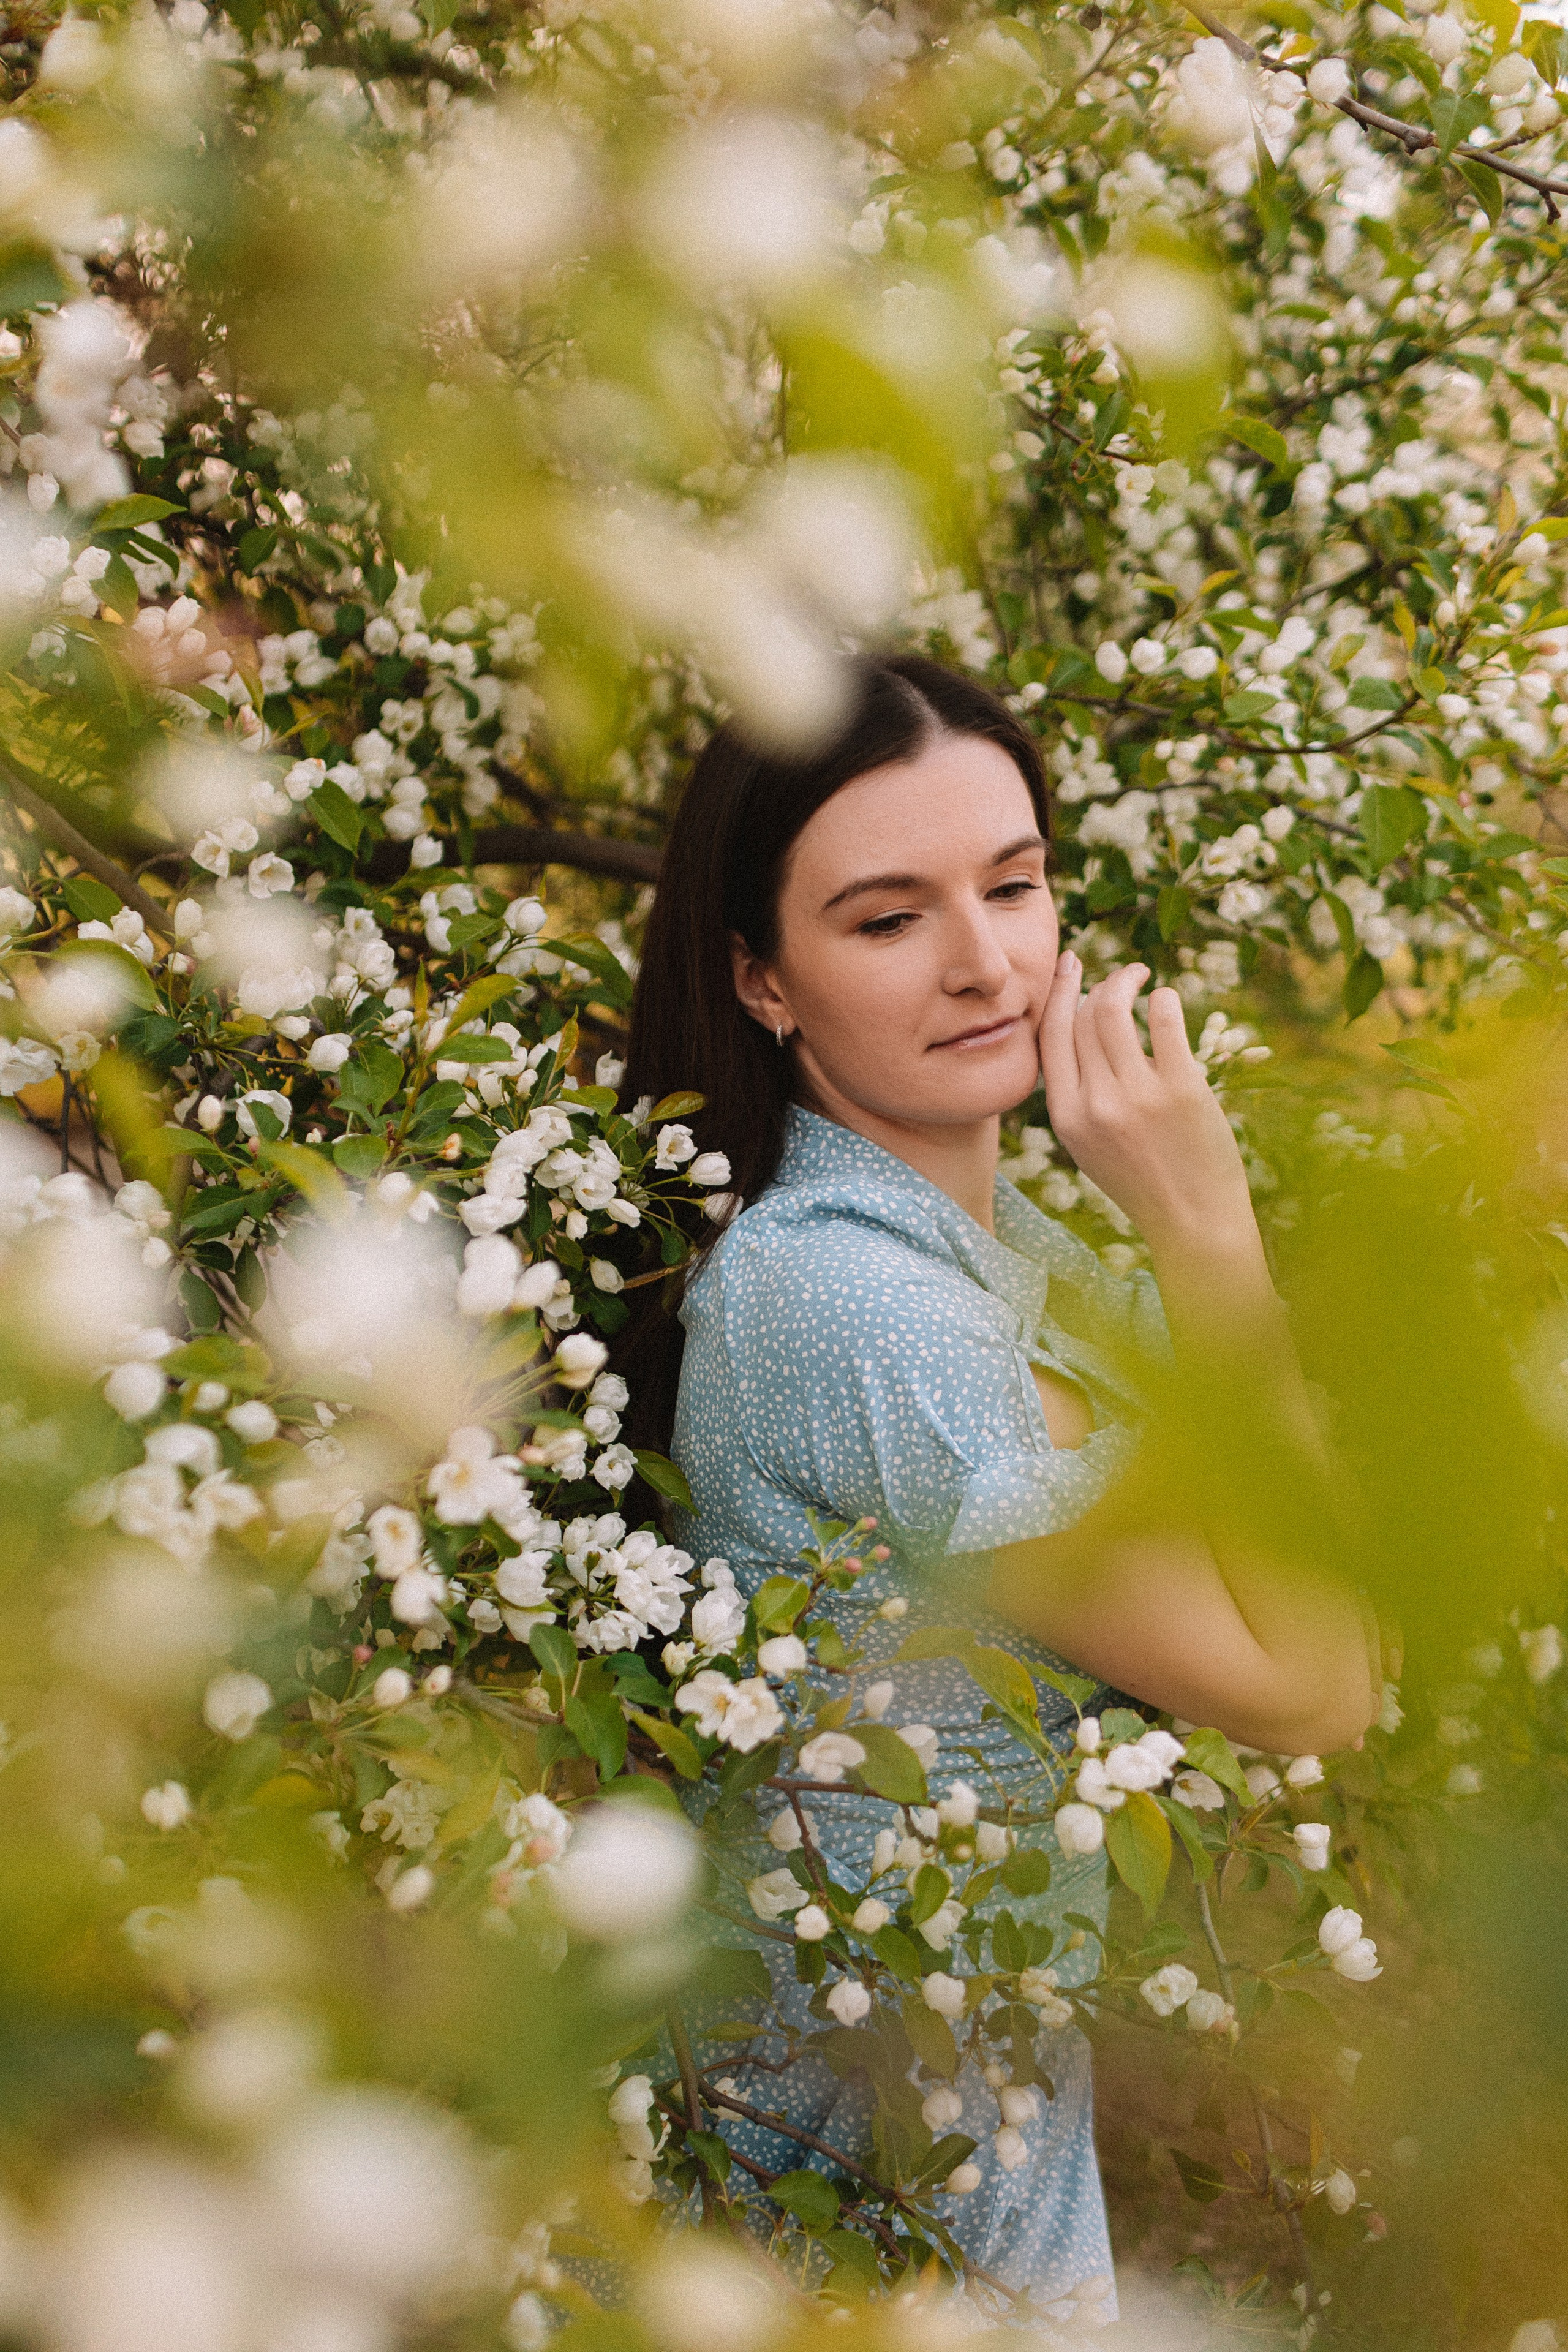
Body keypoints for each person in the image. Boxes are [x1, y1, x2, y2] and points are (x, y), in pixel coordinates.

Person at [619, 652, 1378, 2309]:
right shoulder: (850, 1308)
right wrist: (1209, 1230)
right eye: (889, 920)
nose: (984, 964)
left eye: (1016, 886)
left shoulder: (1011, 1264)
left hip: (982, 2182)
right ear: (763, 980)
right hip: (875, 2234)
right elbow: (1313, 1682)